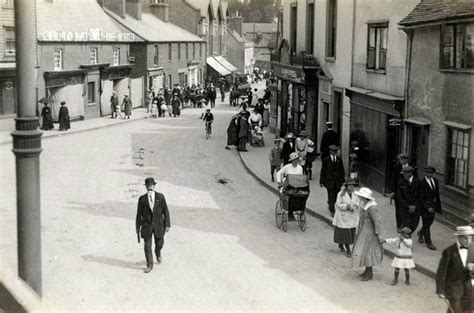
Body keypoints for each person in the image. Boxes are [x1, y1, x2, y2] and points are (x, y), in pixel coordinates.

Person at [135, 177, 170, 273]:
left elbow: (166, 211)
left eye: (152, 186)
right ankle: (149, 264)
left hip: (159, 225)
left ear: (154, 186)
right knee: (147, 246)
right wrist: (137, 227)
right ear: (146, 187)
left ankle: (157, 252)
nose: (150, 188)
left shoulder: (160, 197)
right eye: (148, 186)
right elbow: (139, 214)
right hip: (147, 226)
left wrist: (167, 224)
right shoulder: (142, 199)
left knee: (160, 243)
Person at [436, 226, 474, 313]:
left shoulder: (472, 250)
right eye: (465, 238)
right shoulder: (449, 252)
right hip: (454, 289)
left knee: (466, 310)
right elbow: (441, 272)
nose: (469, 241)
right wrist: (440, 290)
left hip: (469, 289)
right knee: (457, 310)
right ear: (459, 238)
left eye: (470, 238)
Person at [351, 187, 384, 281]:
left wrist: (378, 234)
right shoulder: (364, 205)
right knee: (363, 251)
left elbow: (377, 222)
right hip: (363, 230)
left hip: (370, 232)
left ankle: (369, 273)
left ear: (365, 198)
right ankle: (366, 270)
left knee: (368, 251)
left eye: (361, 197)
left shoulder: (372, 208)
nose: (359, 198)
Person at [417, 165, 442, 250]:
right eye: (427, 173)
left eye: (430, 173)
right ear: (425, 173)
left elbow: (436, 194)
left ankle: (420, 233)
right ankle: (429, 242)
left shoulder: (435, 181)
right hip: (425, 207)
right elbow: (421, 197)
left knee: (430, 222)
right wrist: (427, 207)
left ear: (433, 174)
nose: (429, 174)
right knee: (426, 224)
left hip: (433, 206)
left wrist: (436, 206)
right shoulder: (422, 183)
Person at [333, 178, 359, 258]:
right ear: (346, 186)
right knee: (345, 232)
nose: (351, 187)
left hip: (352, 215)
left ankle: (341, 244)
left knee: (351, 231)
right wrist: (347, 206)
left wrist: (356, 206)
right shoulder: (341, 194)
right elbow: (338, 204)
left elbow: (358, 202)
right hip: (343, 215)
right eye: (350, 185)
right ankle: (348, 249)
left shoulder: (356, 194)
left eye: (353, 185)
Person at [276, 152, 303, 220]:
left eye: (296, 159)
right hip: (287, 186)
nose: (296, 161)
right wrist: (279, 182)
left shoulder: (300, 168)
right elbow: (279, 173)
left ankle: (299, 208)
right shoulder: (287, 167)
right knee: (288, 196)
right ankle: (289, 212)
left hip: (296, 186)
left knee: (302, 195)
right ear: (292, 160)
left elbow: (301, 178)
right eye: (294, 160)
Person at [320, 145, 345, 217]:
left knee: (337, 196)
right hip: (329, 181)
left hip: (338, 182)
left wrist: (342, 180)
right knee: (331, 195)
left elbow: (341, 170)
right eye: (332, 151)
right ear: (330, 151)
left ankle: (333, 205)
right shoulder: (326, 160)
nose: (334, 153)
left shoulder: (339, 159)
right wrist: (321, 182)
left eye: (335, 151)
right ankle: (332, 210)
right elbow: (323, 171)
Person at [390, 153, 411, 232]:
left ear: (406, 160)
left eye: (401, 159)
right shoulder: (397, 167)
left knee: (406, 208)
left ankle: (406, 225)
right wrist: (392, 191)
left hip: (408, 192)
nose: (400, 161)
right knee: (398, 209)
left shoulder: (411, 167)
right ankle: (399, 225)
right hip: (398, 191)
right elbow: (393, 179)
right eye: (400, 159)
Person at [396, 166, 419, 233]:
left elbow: (420, 196)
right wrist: (408, 206)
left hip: (415, 208)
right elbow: (399, 196)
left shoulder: (418, 182)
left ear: (410, 173)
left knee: (414, 224)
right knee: (406, 225)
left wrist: (414, 206)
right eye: (403, 174)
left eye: (405, 174)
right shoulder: (401, 182)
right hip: (405, 208)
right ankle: (407, 238)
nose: (403, 175)